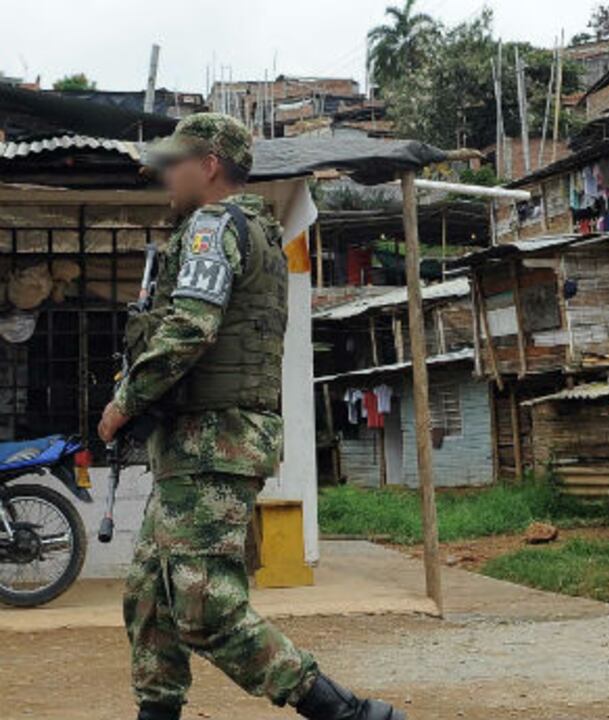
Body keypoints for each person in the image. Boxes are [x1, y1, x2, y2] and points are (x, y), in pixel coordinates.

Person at [98, 113, 406, 720]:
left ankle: (345, 713)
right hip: (196, 446)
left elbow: (191, 327)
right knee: (150, 599)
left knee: (206, 605)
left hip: (215, 443)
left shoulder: (213, 226)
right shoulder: (247, 228)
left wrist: (124, 403)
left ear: (208, 165)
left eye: (173, 163)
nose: (164, 175)